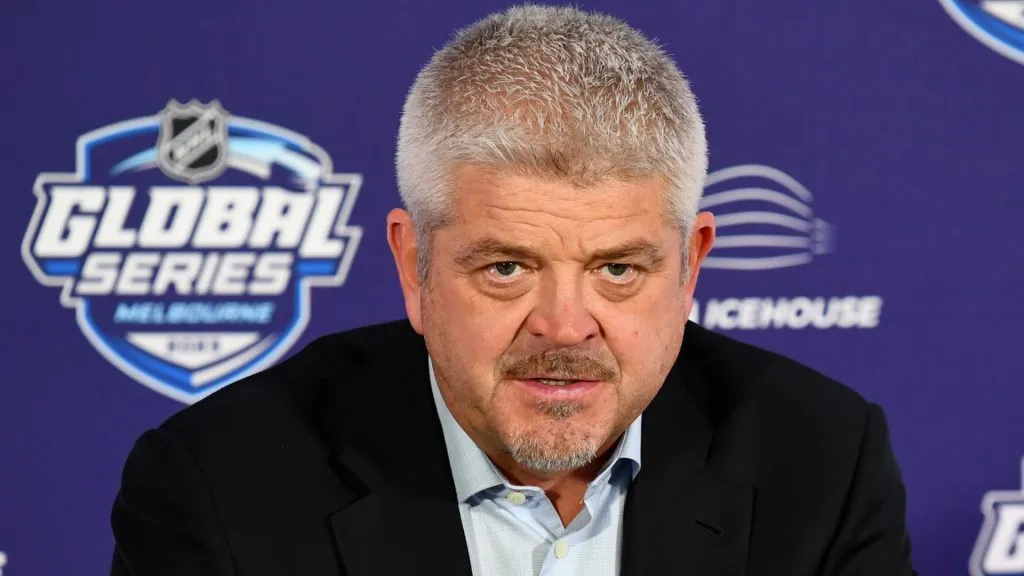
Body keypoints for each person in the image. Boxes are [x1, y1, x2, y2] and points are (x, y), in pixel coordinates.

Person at [109, 5, 917, 575]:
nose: (565, 328)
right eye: (506, 268)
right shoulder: (220, 489)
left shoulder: (821, 463)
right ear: (413, 266)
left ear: (691, 266)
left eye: (618, 270)